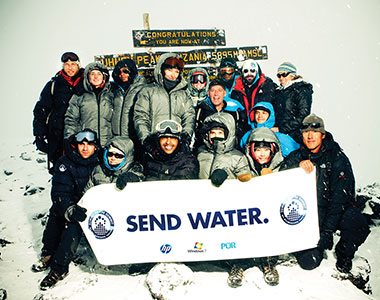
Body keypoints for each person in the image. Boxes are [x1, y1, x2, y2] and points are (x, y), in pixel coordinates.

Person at [280, 114, 370, 272]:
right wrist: (297, 165)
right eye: (306, 132)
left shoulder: (337, 157)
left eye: (314, 132)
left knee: (356, 222)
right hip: (306, 213)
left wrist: (327, 231)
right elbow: (279, 180)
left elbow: (341, 199)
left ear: (322, 135)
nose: (310, 136)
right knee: (309, 262)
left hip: (332, 209)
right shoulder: (296, 156)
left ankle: (344, 253)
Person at [31, 129, 99, 290]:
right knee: (56, 213)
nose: (85, 148)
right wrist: (68, 208)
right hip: (69, 202)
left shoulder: (100, 163)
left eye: (89, 144)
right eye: (81, 144)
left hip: (89, 207)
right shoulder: (64, 162)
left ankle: (59, 268)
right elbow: (59, 191)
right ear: (75, 146)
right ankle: (48, 252)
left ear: (95, 147)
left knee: (74, 226)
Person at [227, 127, 284, 288]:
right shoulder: (244, 165)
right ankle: (239, 264)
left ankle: (269, 263)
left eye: (266, 149)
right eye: (257, 149)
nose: (261, 154)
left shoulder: (282, 167)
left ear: (273, 150)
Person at [33, 52, 85, 174]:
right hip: (58, 137)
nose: (70, 67)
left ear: (78, 65)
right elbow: (41, 110)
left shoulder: (86, 83)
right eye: (66, 64)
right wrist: (39, 134)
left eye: (73, 64)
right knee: (61, 171)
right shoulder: (53, 85)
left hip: (82, 135)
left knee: (83, 170)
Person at [133, 52, 195, 151]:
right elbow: (141, 117)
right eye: (169, 70)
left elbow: (189, 118)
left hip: (175, 146)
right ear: (162, 70)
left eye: (176, 71)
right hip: (154, 146)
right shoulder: (148, 92)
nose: (173, 75)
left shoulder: (184, 95)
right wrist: (146, 140)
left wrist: (185, 138)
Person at [64, 61, 114, 147]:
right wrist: (70, 140)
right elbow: (71, 120)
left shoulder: (112, 94)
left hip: (108, 144)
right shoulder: (79, 95)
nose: (95, 77)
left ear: (104, 76)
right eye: (92, 74)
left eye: (99, 74)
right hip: (86, 144)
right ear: (87, 77)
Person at [197, 112, 251, 186]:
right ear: (207, 135)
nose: (216, 136)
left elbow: (246, 179)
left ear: (228, 134)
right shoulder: (201, 153)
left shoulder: (238, 157)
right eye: (213, 133)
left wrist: (226, 173)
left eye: (220, 133)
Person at [194, 79, 249, 152]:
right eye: (212, 90)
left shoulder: (234, 112)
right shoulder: (200, 111)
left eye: (219, 90)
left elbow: (239, 135)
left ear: (224, 93)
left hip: (229, 152)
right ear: (208, 93)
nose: (216, 94)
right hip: (206, 151)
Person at [110, 59, 147, 162]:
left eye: (125, 71)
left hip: (134, 138)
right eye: (119, 72)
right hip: (117, 137)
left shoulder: (142, 89)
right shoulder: (114, 90)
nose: (122, 75)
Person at [272, 62, 313, 144]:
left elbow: (303, 115)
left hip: (295, 136)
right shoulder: (278, 92)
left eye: (284, 74)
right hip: (279, 135)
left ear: (293, 75)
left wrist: (282, 128)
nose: (281, 78)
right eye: (278, 75)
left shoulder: (301, 90)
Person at [230, 59, 276, 124]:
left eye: (252, 71)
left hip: (263, 124)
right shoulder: (237, 89)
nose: (249, 74)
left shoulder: (267, 86)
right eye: (246, 71)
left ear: (257, 72)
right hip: (244, 126)